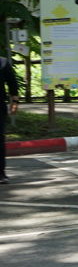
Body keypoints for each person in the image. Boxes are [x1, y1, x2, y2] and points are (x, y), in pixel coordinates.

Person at [0, 53, 18, 185]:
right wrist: (15, 103)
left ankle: (1, 173)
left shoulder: (3, 62)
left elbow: (12, 84)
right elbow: (13, 84)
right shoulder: (3, 62)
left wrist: (15, 104)